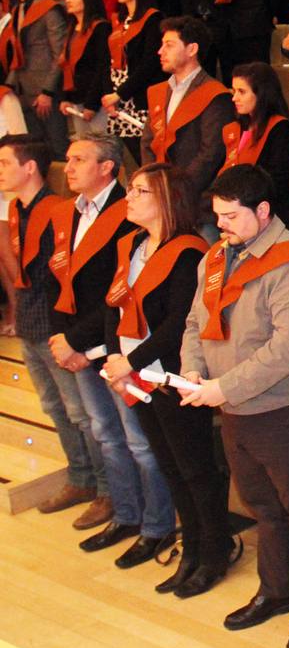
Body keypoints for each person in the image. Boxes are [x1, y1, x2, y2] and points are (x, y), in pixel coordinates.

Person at [180, 164, 289, 648]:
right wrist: (192, 370)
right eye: (218, 215)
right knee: (264, 506)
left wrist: (223, 387)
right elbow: (195, 321)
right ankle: (277, 591)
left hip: (286, 407)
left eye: (231, 216)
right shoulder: (216, 256)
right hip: (234, 404)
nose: (221, 225)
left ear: (263, 211)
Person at [99, 164, 229, 596]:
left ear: (166, 199)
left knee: (195, 470)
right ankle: (191, 548)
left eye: (140, 191)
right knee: (170, 467)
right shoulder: (132, 245)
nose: (129, 197)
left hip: (172, 375)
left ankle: (214, 552)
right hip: (137, 375)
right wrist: (114, 357)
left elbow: (179, 323)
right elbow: (114, 304)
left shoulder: (188, 251)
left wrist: (131, 362)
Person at [48, 133, 176, 569]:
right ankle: (126, 514)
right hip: (80, 342)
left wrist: (81, 343)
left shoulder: (128, 215)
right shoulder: (70, 212)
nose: (68, 167)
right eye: (68, 159)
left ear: (107, 167)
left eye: (79, 159)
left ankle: (157, 525)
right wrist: (61, 338)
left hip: (117, 346)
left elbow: (114, 293)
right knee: (104, 433)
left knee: (140, 443)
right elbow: (59, 281)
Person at [0, 135, 112, 530]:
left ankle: (106, 489)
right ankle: (80, 477)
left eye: (4, 163)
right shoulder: (17, 208)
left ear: (30, 167)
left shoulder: (56, 211)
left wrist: (64, 334)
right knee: (53, 407)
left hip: (55, 328)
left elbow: (60, 279)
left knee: (82, 412)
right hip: (31, 325)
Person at [144, 15, 233, 210]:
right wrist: (153, 185)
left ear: (192, 49)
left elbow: (210, 154)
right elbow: (148, 142)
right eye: (162, 45)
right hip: (162, 197)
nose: (160, 51)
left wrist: (177, 190)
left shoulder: (215, 94)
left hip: (197, 201)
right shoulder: (159, 91)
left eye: (169, 45)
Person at [224, 62, 289, 236]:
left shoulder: (280, 127)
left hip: (277, 217)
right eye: (234, 91)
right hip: (245, 214)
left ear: (261, 93)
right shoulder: (236, 128)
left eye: (242, 92)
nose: (234, 98)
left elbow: (280, 179)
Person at [2, 0, 69, 156]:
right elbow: (18, 54)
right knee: (34, 151)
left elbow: (60, 53)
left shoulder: (48, 8)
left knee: (57, 147)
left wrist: (48, 91)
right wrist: (9, 87)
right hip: (23, 89)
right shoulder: (17, 9)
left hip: (45, 91)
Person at [101, 0, 165, 159]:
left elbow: (150, 62)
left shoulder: (152, 18)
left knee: (148, 154)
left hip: (137, 96)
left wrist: (120, 94)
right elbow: (109, 61)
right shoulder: (121, 20)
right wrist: (110, 94)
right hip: (119, 97)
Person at [56, 0, 113, 136]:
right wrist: (66, 97)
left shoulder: (101, 28)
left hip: (96, 100)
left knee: (102, 144)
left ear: (88, 0)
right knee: (83, 144)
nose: (68, 0)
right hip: (77, 97)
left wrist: (92, 104)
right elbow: (66, 65)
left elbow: (102, 67)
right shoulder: (72, 28)